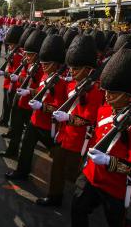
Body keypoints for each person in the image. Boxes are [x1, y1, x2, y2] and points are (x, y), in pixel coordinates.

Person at [71, 48, 131, 227]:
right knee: (78, 208)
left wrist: (109, 161)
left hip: (113, 183)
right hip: (91, 175)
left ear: (130, 96)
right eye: (107, 90)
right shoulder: (103, 111)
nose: (107, 95)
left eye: (114, 92)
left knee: (118, 225)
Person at [38, 35, 103, 206]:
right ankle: (54, 196)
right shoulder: (72, 84)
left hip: (79, 141)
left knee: (74, 174)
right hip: (64, 135)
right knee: (57, 168)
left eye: (77, 68)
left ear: (88, 69)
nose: (72, 71)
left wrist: (68, 118)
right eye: (72, 67)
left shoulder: (94, 90)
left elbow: (89, 119)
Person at [5, 33, 67, 179]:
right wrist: (29, 91)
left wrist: (43, 107)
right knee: (26, 147)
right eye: (43, 63)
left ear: (56, 63)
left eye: (47, 64)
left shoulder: (61, 81)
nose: (43, 66)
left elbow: (59, 107)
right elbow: (40, 91)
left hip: (47, 125)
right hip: (35, 119)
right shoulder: (47, 75)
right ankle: (22, 171)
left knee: (56, 151)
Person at [0, 28, 46, 158]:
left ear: (37, 54)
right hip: (20, 100)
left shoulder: (42, 68)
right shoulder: (30, 63)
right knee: (16, 129)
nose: (26, 56)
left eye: (29, 54)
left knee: (27, 138)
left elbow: (42, 89)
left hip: (29, 104)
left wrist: (29, 91)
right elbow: (23, 76)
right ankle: (11, 151)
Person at [0, 25, 24, 127]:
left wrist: (5, 73)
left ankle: (13, 125)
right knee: (5, 104)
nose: (9, 46)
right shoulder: (13, 51)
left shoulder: (20, 55)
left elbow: (17, 72)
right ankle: (3, 120)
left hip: (14, 84)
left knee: (13, 107)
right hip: (7, 82)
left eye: (11, 44)